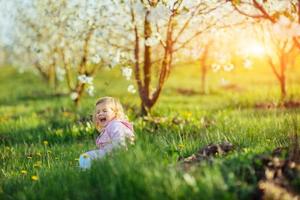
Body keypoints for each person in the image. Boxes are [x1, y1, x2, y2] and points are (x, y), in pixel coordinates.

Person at [79, 97, 135, 169]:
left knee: (85, 156)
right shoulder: (110, 126)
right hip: (111, 155)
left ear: (115, 113)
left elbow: (120, 140)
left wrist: (117, 154)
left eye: (105, 111)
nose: (100, 113)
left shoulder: (115, 125)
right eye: (98, 112)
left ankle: (84, 171)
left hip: (115, 155)